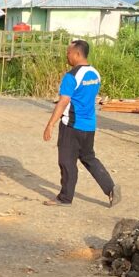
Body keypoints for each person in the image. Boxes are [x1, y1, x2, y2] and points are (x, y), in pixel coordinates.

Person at [42, 39, 121, 207]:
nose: (67, 55)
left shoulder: (71, 76)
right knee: (89, 158)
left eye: (68, 53)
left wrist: (50, 124)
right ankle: (111, 188)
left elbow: (63, 102)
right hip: (89, 125)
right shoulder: (95, 74)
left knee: (66, 161)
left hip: (72, 125)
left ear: (77, 54)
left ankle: (65, 198)